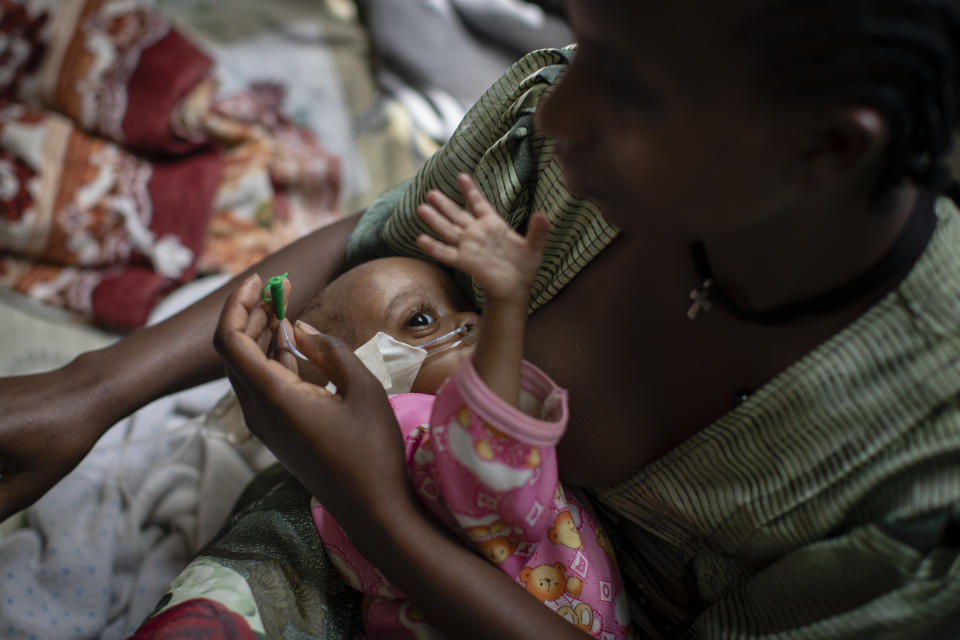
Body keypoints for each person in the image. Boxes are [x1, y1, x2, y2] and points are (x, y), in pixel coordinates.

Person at [4, 1, 960, 638]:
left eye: (628, 89)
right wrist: (90, 392)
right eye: (585, 36)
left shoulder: (919, 465)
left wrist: (381, 510)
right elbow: (373, 244)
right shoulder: (568, 146)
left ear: (829, 149)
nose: (555, 110)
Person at [293, 174, 629, 638]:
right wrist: (506, 305)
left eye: (461, 303)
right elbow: (493, 484)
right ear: (359, 379)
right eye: (421, 319)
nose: (470, 318)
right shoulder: (403, 429)